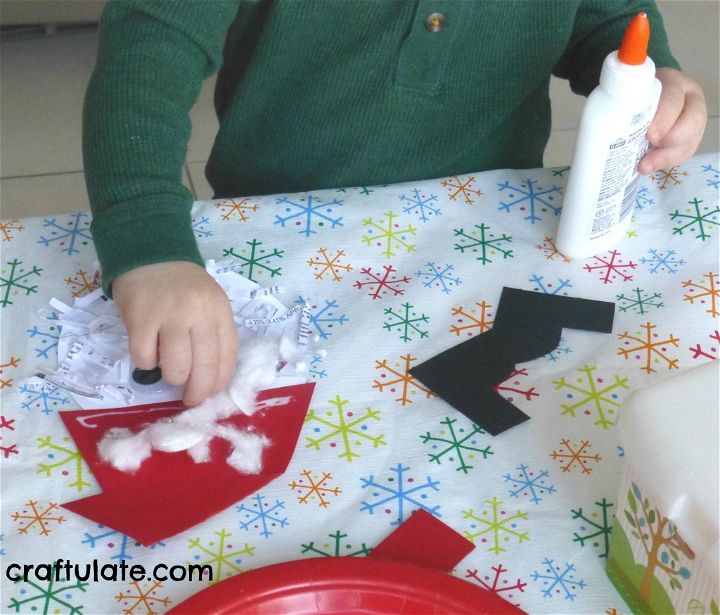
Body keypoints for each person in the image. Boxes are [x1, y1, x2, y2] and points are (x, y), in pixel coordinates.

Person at [83, 0, 707, 407]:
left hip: (495, 236)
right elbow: (150, 46)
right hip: (286, 241)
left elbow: (608, 20)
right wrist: (149, 243)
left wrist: (655, 79)